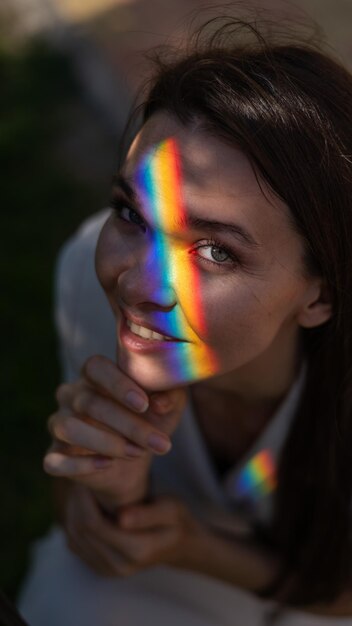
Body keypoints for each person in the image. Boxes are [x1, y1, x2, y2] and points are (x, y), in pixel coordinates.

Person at [17, 12, 352, 626]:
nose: (137, 284)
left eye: (217, 251)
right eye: (131, 215)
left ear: (320, 296)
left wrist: (196, 546)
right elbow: (85, 524)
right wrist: (108, 487)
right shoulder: (88, 288)